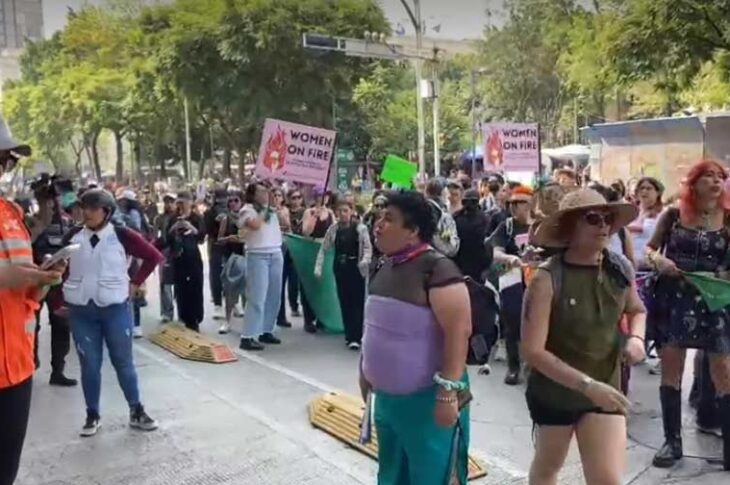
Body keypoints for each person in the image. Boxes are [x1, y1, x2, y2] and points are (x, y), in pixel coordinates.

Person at [523, 189, 646, 485]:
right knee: (548, 467)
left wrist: (637, 339)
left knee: (606, 480)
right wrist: (587, 386)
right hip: (555, 391)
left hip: (606, 384)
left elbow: (637, 309)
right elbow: (533, 351)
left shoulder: (619, 268)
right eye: (592, 218)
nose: (603, 226)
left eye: (607, 218)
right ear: (569, 227)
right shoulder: (546, 278)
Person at [360, 190, 472, 485]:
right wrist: (364, 369)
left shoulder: (438, 269)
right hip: (388, 402)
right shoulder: (385, 264)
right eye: (379, 217)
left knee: (431, 475)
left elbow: (459, 333)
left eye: (389, 219)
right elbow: (374, 325)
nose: (378, 225)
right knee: (393, 474)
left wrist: (447, 393)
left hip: (428, 402)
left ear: (413, 231)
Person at [645, 160, 730, 470]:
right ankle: (672, 442)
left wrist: (723, 274)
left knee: (723, 370)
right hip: (675, 297)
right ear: (693, 183)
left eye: (720, 176)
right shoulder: (672, 215)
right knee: (672, 368)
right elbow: (650, 249)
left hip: (713, 300)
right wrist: (659, 262)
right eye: (708, 176)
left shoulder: (729, 217)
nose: (716, 181)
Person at [62, 189, 163, 437]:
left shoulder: (122, 235)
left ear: (106, 212)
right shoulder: (73, 236)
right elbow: (60, 270)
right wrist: (60, 298)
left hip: (115, 309)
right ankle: (92, 414)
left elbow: (153, 256)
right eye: (83, 207)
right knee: (90, 364)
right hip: (82, 311)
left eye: (91, 208)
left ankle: (136, 410)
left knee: (123, 362)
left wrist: (135, 283)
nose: (85, 213)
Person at [0, 121, 66, 485]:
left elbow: (26, 295)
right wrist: (16, 276)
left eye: (5, 162)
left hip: (17, 368)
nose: (2, 169)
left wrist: (44, 279)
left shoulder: (11, 215)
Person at [27, 177, 77, 386]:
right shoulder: (29, 222)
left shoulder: (67, 222)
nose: (52, 203)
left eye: (54, 198)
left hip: (59, 282)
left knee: (61, 325)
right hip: (34, 280)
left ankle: (58, 369)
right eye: (46, 199)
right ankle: (30, 363)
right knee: (31, 324)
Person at [314, 199, 372, 349]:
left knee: (357, 302)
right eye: (340, 211)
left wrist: (365, 261)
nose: (343, 214)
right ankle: (349, 334)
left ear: (351, 211)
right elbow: (324, 249)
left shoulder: (360, 228)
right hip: (340, 267)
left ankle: (356, 336)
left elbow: (367, 248)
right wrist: (318, 267)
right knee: (344, 301)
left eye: (346, 210)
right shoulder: (333, 229)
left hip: (356, 267)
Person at [490, 185, 534, 385]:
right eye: (512, 203)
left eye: (520, 203)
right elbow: (495, 252)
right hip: (512, 278)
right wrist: (509, 258)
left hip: (536, 279)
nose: (516, 207)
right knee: (512, 323)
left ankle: (535, 365)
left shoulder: (541, 225)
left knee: (537, 322)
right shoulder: (506, 226)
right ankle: (514, 368)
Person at [238, 182, 284, 351]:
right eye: (262, 191)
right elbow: (255, 225)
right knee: (257, 297)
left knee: (274, 295)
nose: (266, 194)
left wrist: (274, 207)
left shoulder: (270, 209)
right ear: (253, 194)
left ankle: (266, 329)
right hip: (257, 255)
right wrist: (269, 207)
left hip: (275, 252)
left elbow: (285, 223)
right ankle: (248, 335)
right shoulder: (247, 210)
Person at [165, 192, 205, 331]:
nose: (181, 205)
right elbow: (166, 238)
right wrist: (174, 227)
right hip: (178, 257)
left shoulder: (196, 218)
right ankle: (184, 317)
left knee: (196, 287)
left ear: (190, 203)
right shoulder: (172, 218)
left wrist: (190, 227)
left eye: (184, 202)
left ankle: (196, 318)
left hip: (193, 257)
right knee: (181, 289)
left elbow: (201, 237)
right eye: (179, 202)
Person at [301, 196, 336, 333]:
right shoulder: (308, 212)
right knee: (310, 283)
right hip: (312, 248)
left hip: (326, 249)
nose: (323, 198)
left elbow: (334, 231)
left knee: (324, 284)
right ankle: (308, 319)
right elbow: (306, 232)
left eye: (325, 195)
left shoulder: (330, 213)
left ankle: (322, 318)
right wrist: (315, 216)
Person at [217, 190, 246, 334]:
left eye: (236, 200)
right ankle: (227, 321)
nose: (233, 203)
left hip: (247, 256)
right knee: (230, 291)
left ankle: (249, 322)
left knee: (248, 291)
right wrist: (229, 238)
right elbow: (219, 240)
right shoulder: (226, 219)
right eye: (231, 201)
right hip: (232, 257)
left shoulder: (248, 217)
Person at [452, 189, 492, 282]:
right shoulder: (455, 217)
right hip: (460, 262)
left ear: (477, 202)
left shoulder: (485, 219)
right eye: (465, 202)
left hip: (478, 264)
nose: (469, 205)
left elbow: (489, 243)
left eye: (472, 202)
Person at [627, 176, 664, 269]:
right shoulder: (630, 212)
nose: (644, 191)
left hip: (651, 265)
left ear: (657, 192)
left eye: (649, 188)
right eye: (641, 188)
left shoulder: (663, 214)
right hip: (630, 264)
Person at [204, 188, 229, 320]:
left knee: (232, 274)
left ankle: (233, 302)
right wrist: (217, 222)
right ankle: (218, 304)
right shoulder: (209, 213)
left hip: (231, 244)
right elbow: (207, 230)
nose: (222, 202)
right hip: (216, 245)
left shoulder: (232, 211)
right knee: (216, 274)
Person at [153, 193, 177, 323]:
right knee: (165, 284)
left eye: (171, 201)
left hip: (177, 252)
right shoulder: (159, 218)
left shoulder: (179, 217)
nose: (168, 204)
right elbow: (155, 236)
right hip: (164, 252)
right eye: (166, 201)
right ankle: (167, 312)